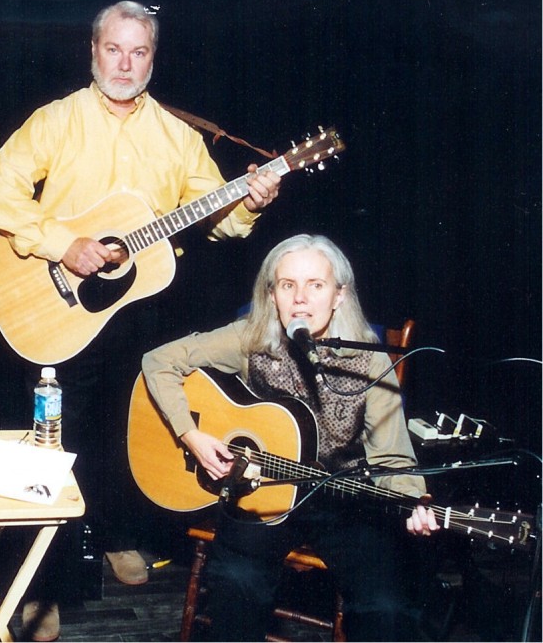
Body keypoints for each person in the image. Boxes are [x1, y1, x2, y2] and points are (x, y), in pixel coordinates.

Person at [0, 0, 282, 641]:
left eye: (138, 52)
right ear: (93, 51)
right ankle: (42, 586)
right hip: (58, 307)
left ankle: (118, 535)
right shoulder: (56, 121)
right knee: (54, 439)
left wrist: (249, 202)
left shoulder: (177, 137)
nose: (125, 63)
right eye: (114, 49)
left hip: (142, 308)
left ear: (152, 59)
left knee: (132, 426)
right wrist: (62, 244)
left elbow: (218, 221)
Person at [141, 233, 438, 641]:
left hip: (341, 502)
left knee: (386, 606)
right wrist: (189, 434)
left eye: (316, 285)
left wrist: (413, 502)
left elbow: (393, 458)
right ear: (273, 294)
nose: (300, 298)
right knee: (236, 585)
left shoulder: (369, 359)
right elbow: (158, 361)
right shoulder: (249, 338)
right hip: (258, 496)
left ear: (338, 295)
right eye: (287, 285)